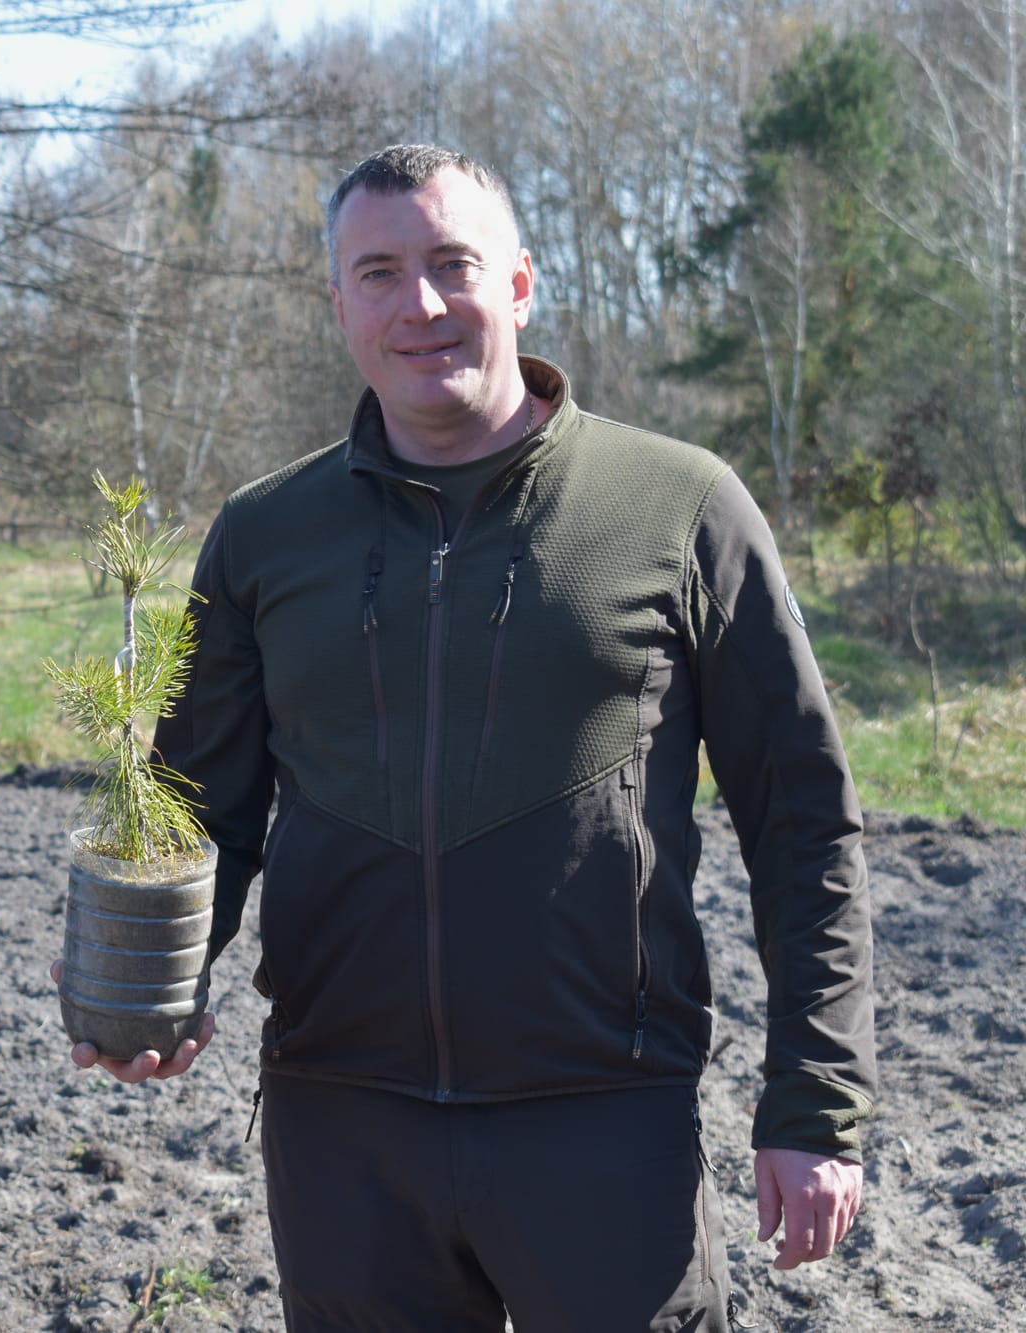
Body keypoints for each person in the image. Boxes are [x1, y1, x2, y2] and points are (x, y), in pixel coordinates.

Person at [72, 144, 876, 1331]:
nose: (420, 304)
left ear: (519, 283)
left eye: (451, 264)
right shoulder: (264, 534)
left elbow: (801, 822)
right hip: (341, 1124)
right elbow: (199, 812)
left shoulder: (678, 506)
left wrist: (815, 1101)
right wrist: (147, 982)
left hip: (599, 1117)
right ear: (337, 303)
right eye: (378, 273)